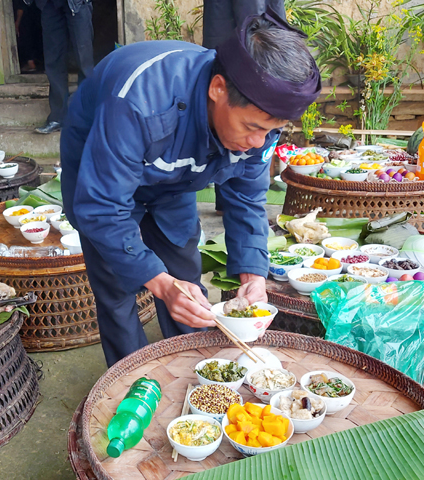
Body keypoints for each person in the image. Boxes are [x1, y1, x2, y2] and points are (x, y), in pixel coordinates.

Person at [60, 11, 320, 366]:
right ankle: (132, 380)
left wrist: (253, 274)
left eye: (271, 131)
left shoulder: (257, 129)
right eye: (251, 127)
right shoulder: (138, 101)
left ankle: (191, 366)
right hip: (102, 160)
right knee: (116, 282)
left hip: (175, 172)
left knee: (183, 263)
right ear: (218, 89)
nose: (259, 142)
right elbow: (102, 207)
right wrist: (158, 283)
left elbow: (247, 197)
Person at [202, 0, 286, 215]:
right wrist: (261, 64)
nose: (259, 139)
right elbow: (254, 23)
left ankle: (234, 201)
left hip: (237, 50)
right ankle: (236, 200)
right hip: (249, 60)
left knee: (245, 131)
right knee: (238, 123)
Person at [33, 0, 94, 135]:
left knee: (84, 61)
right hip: (49, 4)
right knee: (53, 60)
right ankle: (57, 118)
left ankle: (87, 117)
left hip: (77, 3)